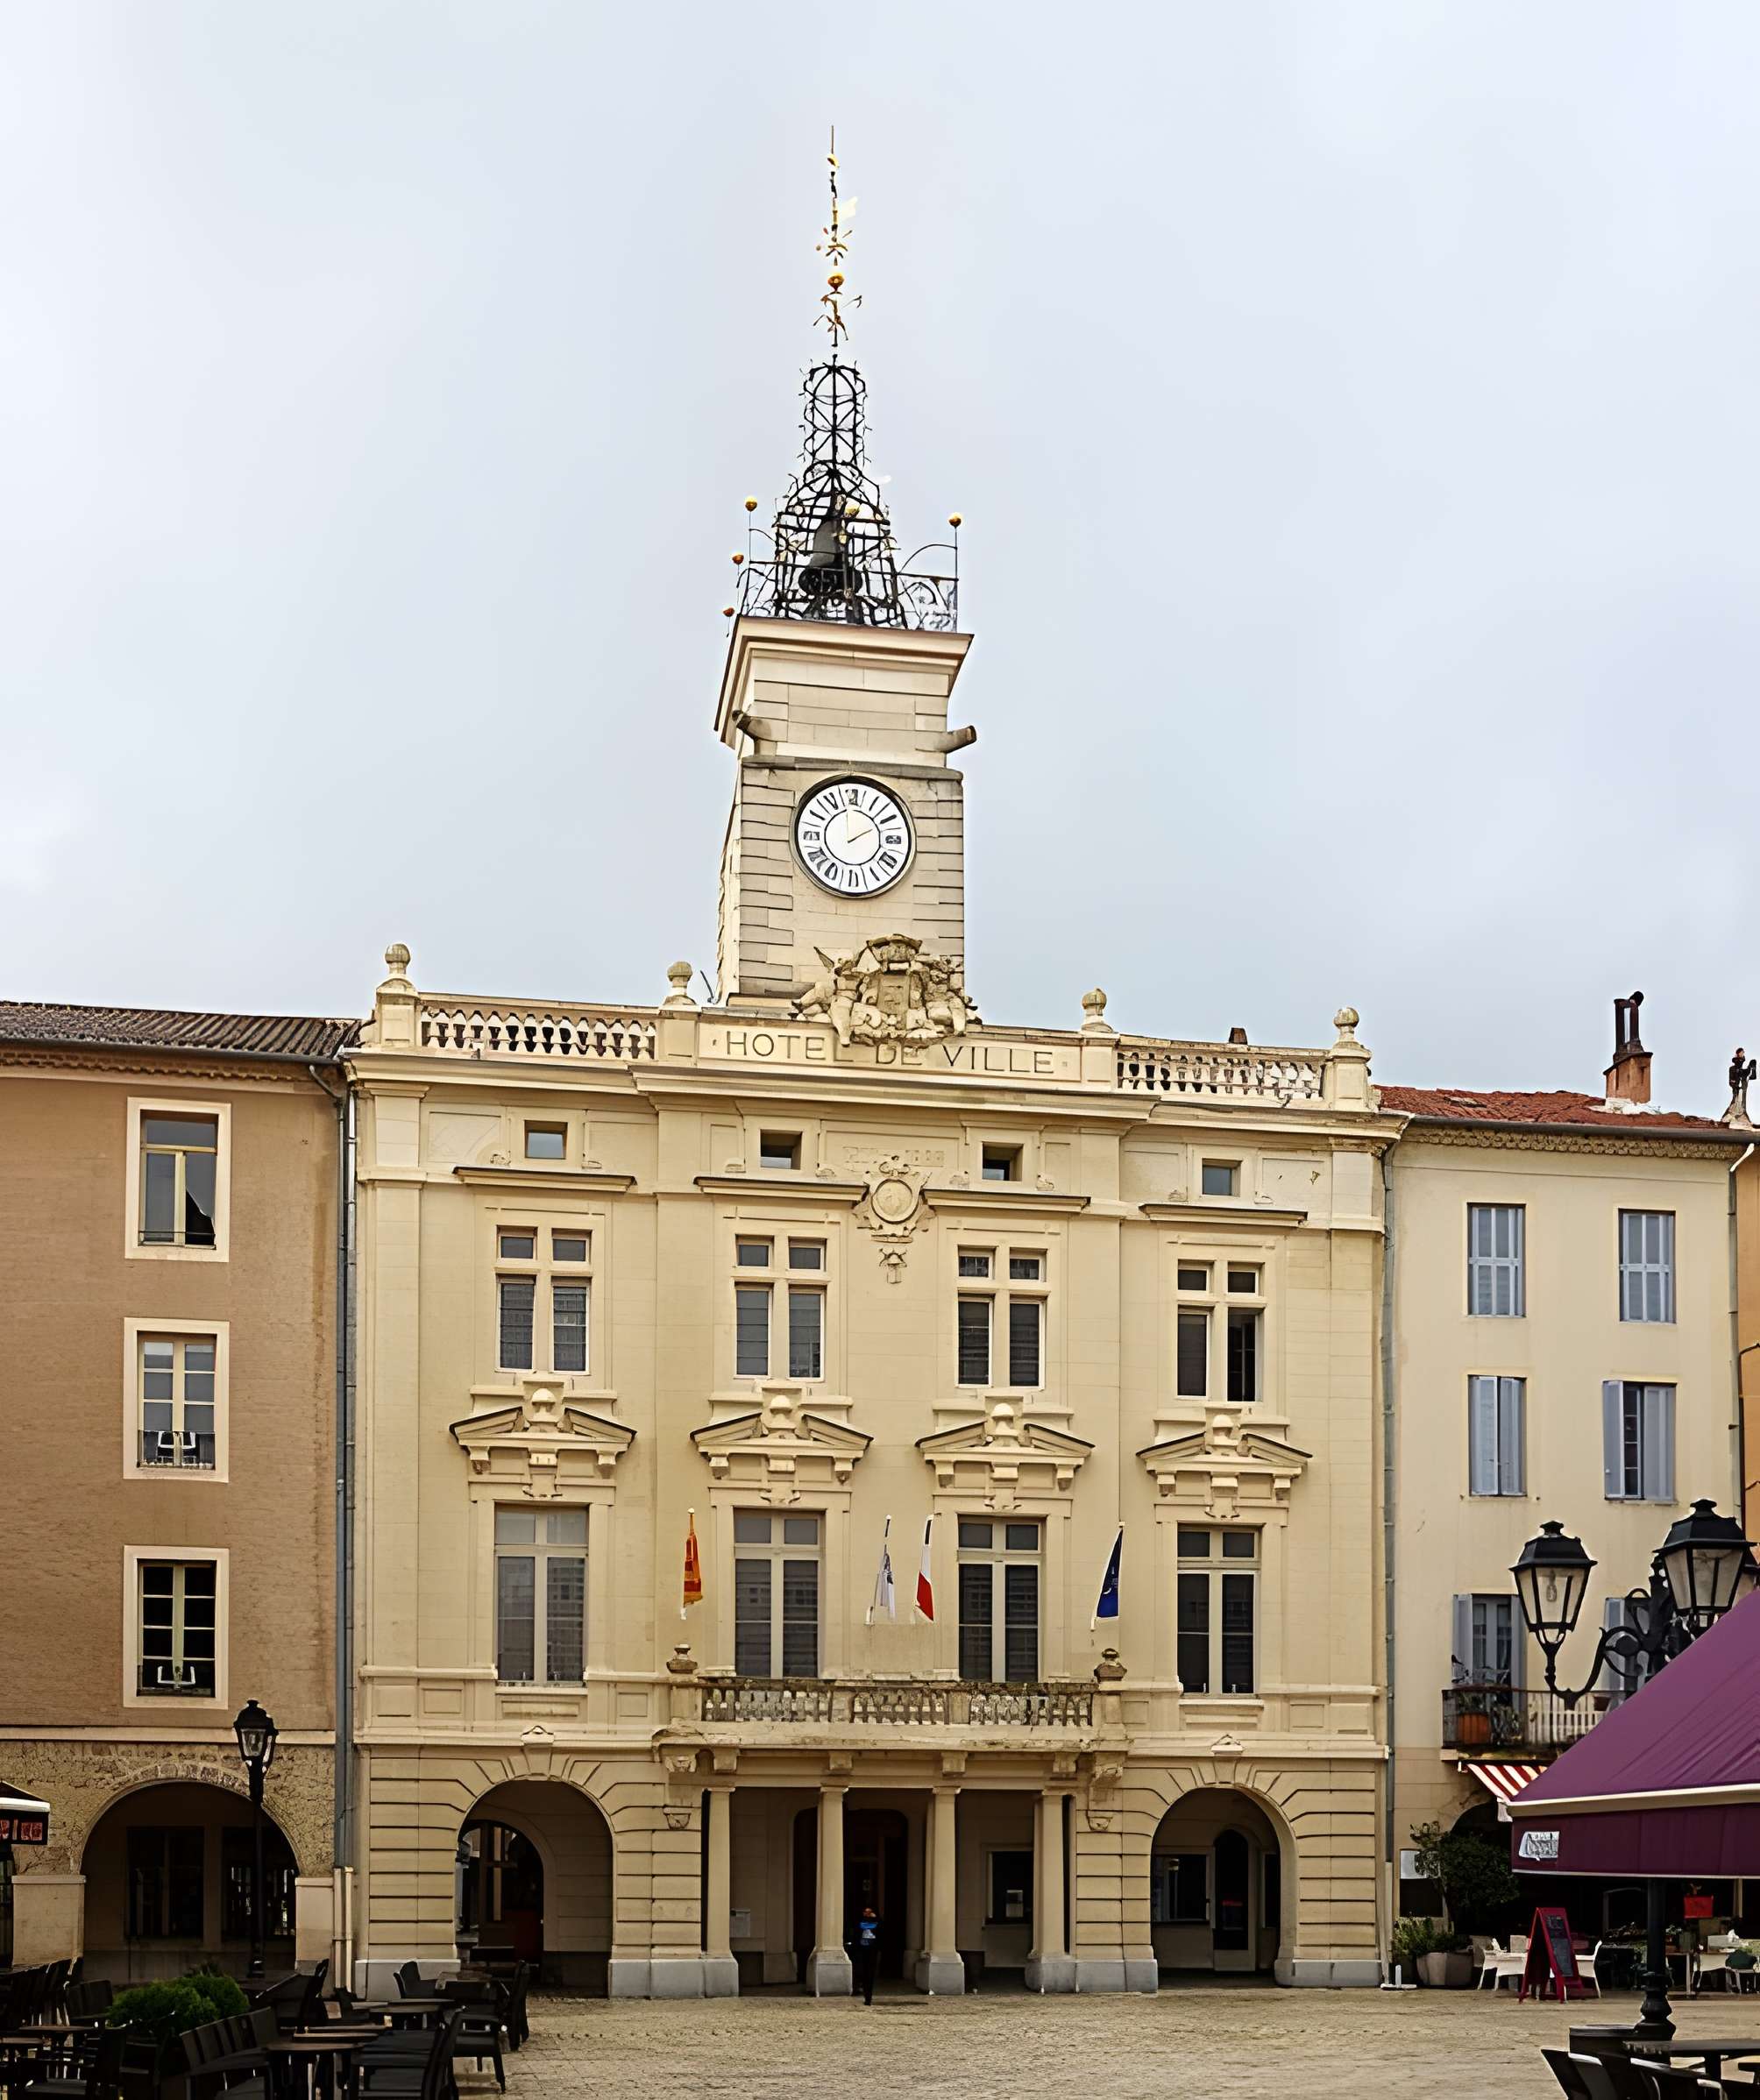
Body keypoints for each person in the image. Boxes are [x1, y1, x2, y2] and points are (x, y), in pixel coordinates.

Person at [853, 1904, 881, 2004]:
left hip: (872, 1952)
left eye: (870, 1912)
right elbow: (856, 1933)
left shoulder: (877, 1922)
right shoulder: (859, 1922)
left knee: (870, 1975)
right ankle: (863, 1991)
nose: (868, 1914)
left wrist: (875, 1919)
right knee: (861, 1973)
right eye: (866, 1912)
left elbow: (880, 1930)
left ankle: (868, 1998)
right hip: (861, 1952)